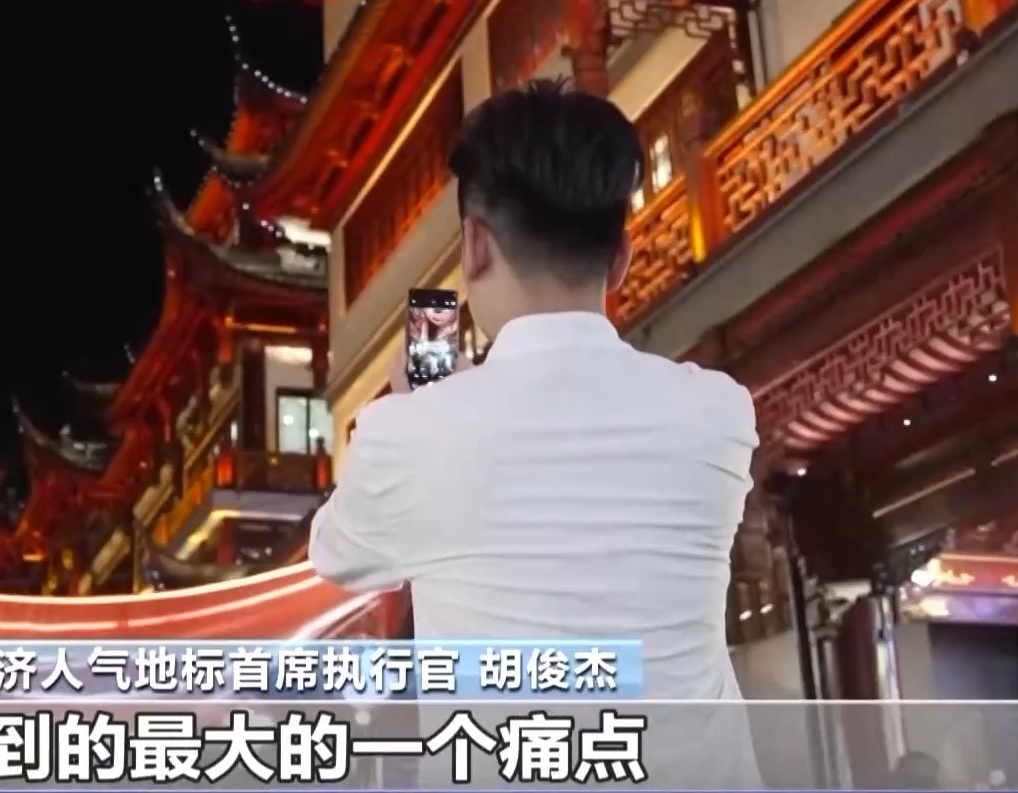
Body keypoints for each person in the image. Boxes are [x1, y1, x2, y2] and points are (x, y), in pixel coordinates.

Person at [308, 79, 761, 788]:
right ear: (620, 258)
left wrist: (411, 410)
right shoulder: (719, 413)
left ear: (475, 245)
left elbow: (336, 554)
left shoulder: (412, 434)